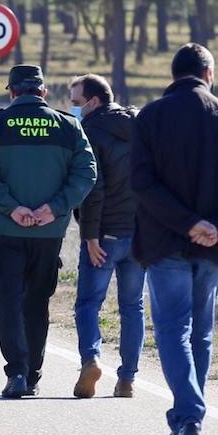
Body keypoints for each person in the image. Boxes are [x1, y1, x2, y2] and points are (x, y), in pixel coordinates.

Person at [131, 44, 218, 435]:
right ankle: (191, 414)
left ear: (174, 76)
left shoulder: (151, 116)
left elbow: (141, 181)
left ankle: (189, 415)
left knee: (173, 330)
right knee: (201, 333)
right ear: (209, 74)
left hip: (166, 241)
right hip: (214, 245)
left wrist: (188, 223)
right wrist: (216, 227)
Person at [0, 65, 96, 399]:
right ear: (43, 92)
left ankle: (17, 372)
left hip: (4, 229)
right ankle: (34, 375)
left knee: (7, 301)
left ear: (10, 92)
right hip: (48, 232)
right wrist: (53, 208)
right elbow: (86, 173)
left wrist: (12, 207)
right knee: (37, 302)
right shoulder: (68, 126)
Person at [68, 73, 144, 400]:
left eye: (76, 103)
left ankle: (91, 358)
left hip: (105, 234)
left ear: (94, 101)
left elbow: (93, 189)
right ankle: (127, 379)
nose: (74, 110)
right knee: (132, 307)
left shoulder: (89, 132)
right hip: (140, 236)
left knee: (87, 303)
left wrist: (90, 236)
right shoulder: (143, 128)